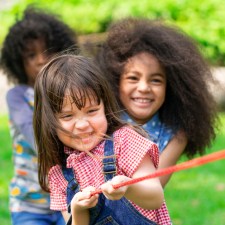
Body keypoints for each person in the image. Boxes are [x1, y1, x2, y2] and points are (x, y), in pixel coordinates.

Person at [33, 54, 172, 225]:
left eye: (92, 111)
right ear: (49, 122)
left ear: (105, 107)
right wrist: (78, 210)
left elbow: (155, 197)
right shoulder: (59, 172)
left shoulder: (124, 141)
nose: (83, 124)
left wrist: (128, 187)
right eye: (68, 116)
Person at [95, 17, 218, 188]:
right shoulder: (102, 119)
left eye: (156, 80)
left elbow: (154, 189)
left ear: (173, 87)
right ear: (116, 82)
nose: (144, 88)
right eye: (133, 78)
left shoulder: (176, 135)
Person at [0, 6, 77, 225]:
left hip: (70, 198)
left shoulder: (69, 93)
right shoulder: (17, 96)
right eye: (31, 55)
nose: (41, 60)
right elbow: (33, 135)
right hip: (29, 204)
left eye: (47, 51)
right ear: (18, 62)